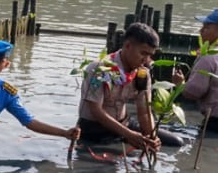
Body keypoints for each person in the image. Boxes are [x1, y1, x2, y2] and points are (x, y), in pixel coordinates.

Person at [78, 22, 182, 151]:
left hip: (125, 124)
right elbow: (96, 111)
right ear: (127, 46)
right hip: (95, 129)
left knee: (176, 142)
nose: (146, 59)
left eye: (150, 55)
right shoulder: (101, 69)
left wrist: (152, 137)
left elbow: (144, 112)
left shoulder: (142, 74)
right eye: (143, 53)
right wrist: (128, 135)